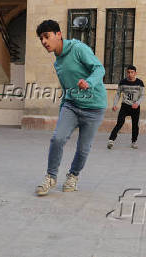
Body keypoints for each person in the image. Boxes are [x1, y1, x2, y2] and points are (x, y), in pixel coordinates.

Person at [35, 20, 107, 196]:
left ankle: (73, 176)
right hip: (72, 105)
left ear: (58, 34)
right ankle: (51, 177)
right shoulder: (57, 62)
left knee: (83, 149)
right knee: (57, 138)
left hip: (94, 108)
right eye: (41, 38)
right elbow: (66, 89)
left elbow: (99, 69)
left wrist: (88, 82)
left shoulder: (78, 48)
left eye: (47, 36)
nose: (44, 41)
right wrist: (62, 113)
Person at [107, 65, 144, 149]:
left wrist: (137, 103)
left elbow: (142, 95)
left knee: (135, 125)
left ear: (135, 73)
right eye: (128, 72)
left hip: (135, 107)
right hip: (125, 106)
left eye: (132, 72)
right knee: (120, 123)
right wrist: (114, 104)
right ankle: (111, 140)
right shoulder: (123, 82)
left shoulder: (140, 83)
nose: (130, 74)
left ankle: (134, 142)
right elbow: (118, 94)